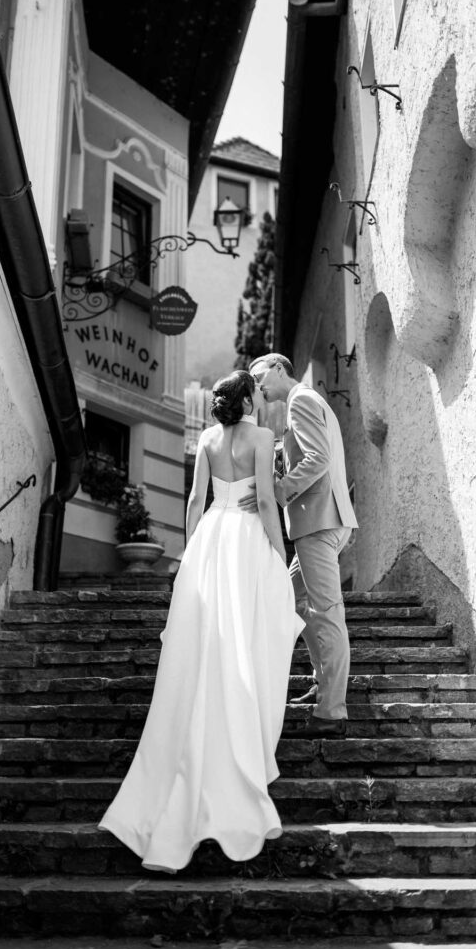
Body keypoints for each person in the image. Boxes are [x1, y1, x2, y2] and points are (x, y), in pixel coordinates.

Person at [98, 369, 304, 873]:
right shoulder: (262, 436)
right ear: (249, 398)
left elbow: (194, 502)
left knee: (207, 642)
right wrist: (279, 556)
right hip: (247, 539)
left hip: (212, 538)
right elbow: (267, 504)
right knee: (244, 639)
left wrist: (191, 554)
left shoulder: (209, 439)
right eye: (254, 391)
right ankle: (240, 739)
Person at [241, 353, 358, 738]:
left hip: (318, 522)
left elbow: (318, 458)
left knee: (326, 612)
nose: (257, 385)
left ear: (278, 368)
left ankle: (333, 711)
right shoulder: (303, 401)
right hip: (318, 520)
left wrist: (278, 490)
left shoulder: (301, 400)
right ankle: (321, 684)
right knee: (291, 603)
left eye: (259, 376)